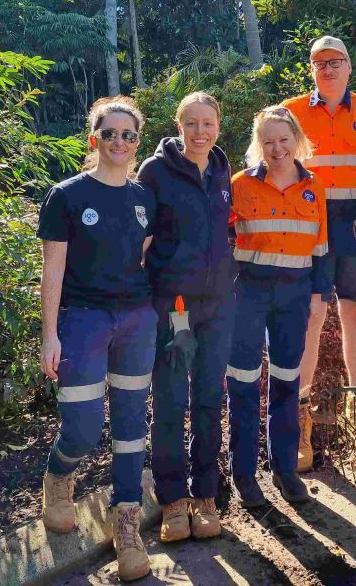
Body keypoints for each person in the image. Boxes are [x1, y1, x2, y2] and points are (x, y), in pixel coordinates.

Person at [38, 96, 155, 582]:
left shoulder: (144, 199)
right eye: (110, 133)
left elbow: (145, 261)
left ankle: (126, 521)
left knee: (131, 426)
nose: (120, 142)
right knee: (83, 427)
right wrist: (49, 335)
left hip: (136, 320)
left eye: (129, 135)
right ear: (95, 139)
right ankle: (58, 477)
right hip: (82, 321)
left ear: (137, 142)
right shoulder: (66, 196)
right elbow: (53, 269)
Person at [282, 36, 356, 470]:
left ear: (350, 67)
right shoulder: (290, 112)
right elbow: (270, 165)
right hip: (309, 233)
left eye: (335, 62)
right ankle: (299, 416)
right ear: (310, 70)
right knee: (311, 316)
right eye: (319, 63)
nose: (328, 69)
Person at [136, 92, 236, 543]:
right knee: (173, 400)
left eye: (208, 123)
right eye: (191, 123)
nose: (200, 132)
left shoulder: (221, 166)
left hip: (218, 305)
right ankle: (173, 501)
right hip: (173, 308)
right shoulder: (155, 172)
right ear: (178, 127)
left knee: (211, 400)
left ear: (218, 125)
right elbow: (142, 238)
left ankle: (206, 494)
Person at [226, 106, 330, 507]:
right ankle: (244, 474)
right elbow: (223, 242)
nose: (277, 148)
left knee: (287, 382)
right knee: (244, 383)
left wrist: (319, 296)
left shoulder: (314, 186)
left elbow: (321, 249)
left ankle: (285, 470)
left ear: (297, 140)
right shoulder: (240, 184)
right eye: (268, 141)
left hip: (294, 296)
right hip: (247, 294)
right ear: (258, 144)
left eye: (284, 139)